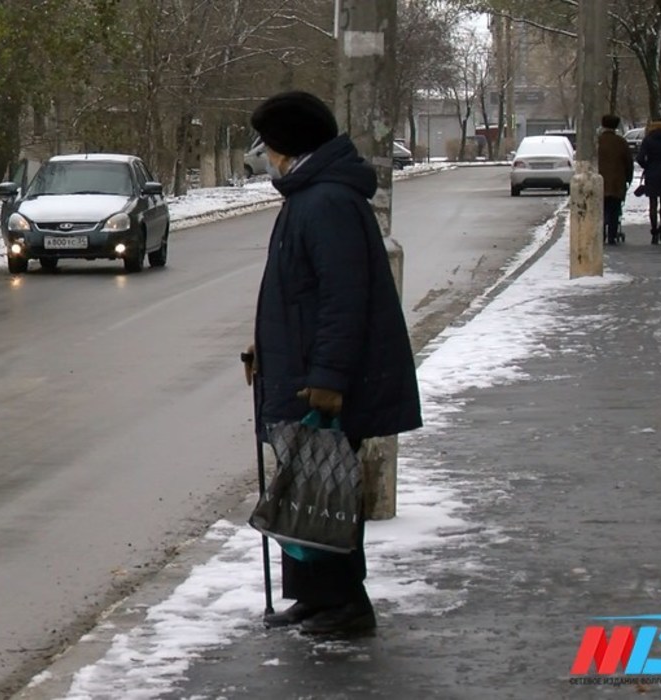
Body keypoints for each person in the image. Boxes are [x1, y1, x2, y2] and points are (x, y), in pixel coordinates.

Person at [241, 91, 422, 635]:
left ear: (288, 144)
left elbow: (344, 301)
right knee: (302, 487)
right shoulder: (310, 195)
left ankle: (348, 604)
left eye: (268, 143)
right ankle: (314, 598)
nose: (265, 153)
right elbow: (298, 293)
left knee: (326, 492)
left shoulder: (325, 202)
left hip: (317, 379)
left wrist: (327, 378)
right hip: (297, 367)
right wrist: (263, 349)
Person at [597, 115, 634, 245]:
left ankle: (600, 235)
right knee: (614, 209)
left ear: (602, 125)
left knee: (600, 210)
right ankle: (612, 236)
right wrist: (628, 178)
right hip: (617, 183)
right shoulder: (621, 142)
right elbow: (629, 162)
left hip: (599, 183)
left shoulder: (597, 141)